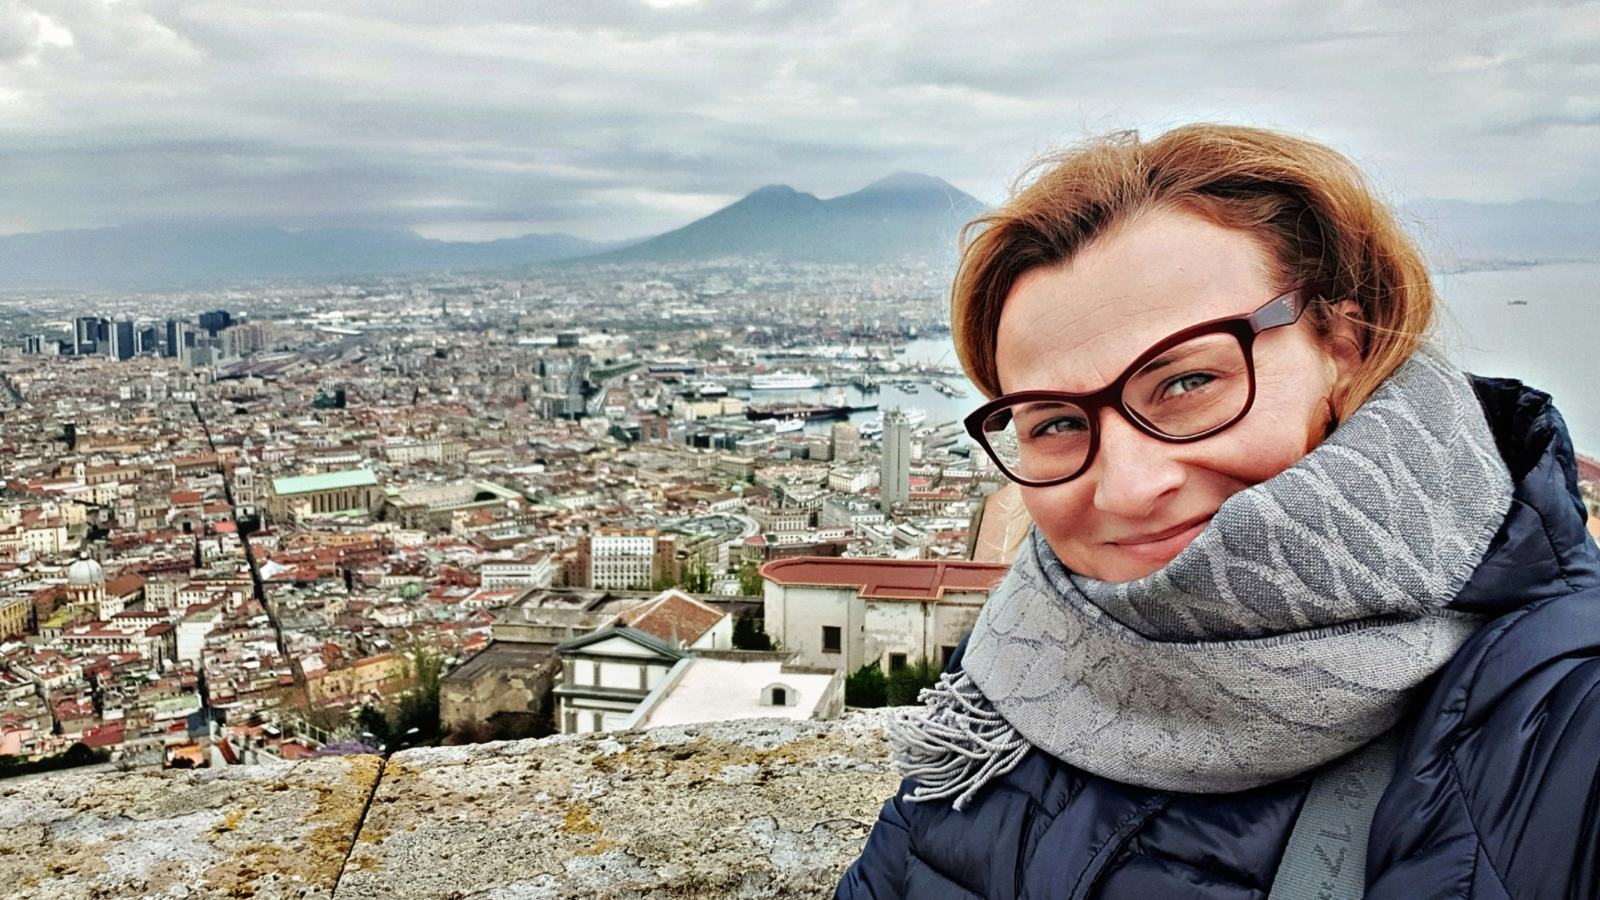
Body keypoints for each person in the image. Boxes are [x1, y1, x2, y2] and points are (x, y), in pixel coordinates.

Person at [835, 125, 1600, 899]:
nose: (1129, 488)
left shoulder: (1561, 719)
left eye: (1188, 381)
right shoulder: (1021, 651)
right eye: (1057, 423)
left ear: (1346, 339)